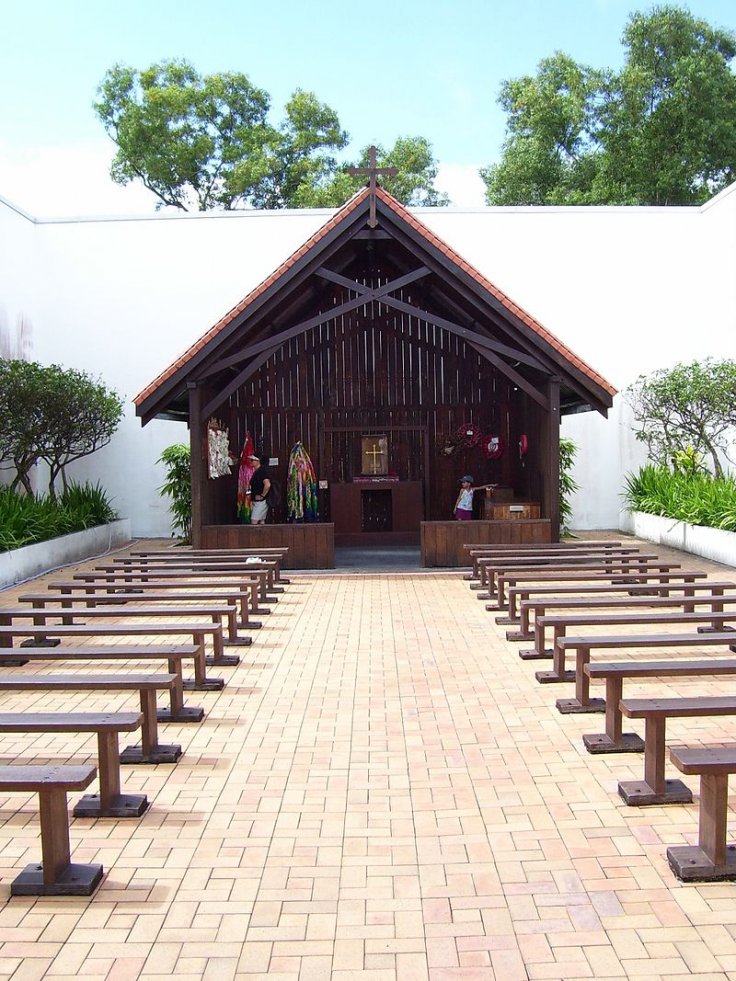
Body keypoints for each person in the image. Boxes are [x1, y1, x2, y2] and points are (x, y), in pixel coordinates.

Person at [247, 454, 271, 525]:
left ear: (258, 461)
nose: (251, 461)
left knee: (254, 521)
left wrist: (262, 495)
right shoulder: (257, 471)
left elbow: (267, 484)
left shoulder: (262, 471)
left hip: (261, 501)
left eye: (252, 460)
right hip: (258, 501)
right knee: (261, 521)